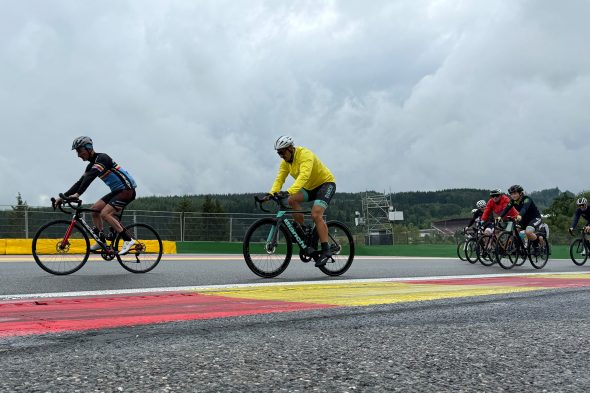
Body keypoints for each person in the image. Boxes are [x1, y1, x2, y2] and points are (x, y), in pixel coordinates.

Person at [54, 136, 138, 255]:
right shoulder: (91, 165)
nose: (78, 155)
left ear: (88, 148)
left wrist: (78, 194)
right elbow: (80, 182)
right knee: (95, 210)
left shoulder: (103, 158)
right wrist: (63, 197)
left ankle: (128, 240)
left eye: (79, 151)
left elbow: (91, 176)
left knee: (105, 213)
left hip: (127, 190)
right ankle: (101, 240)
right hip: (117, 191)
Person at [267, 136, 336, 267]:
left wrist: (289, 190)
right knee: (291, 200)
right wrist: (271, 194)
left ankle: (326, 250)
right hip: (309, 188)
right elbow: (279, 179)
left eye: (282, 152)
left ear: (291, 149)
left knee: (316, 214)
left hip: (325, 184)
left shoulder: (305, 155)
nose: (281, 155)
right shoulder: (286, 163)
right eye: (278, 153)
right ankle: (304, 231)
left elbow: (304, 176)